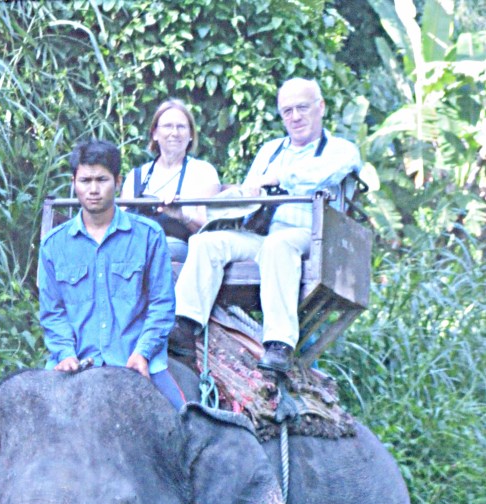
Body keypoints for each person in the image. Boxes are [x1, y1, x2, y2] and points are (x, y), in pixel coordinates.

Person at [169, 78, 362, 375]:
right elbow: (251, 190)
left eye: (302, 108)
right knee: (207, 242)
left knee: (280, 244)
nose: (295, 117)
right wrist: (244, 195)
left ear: (320, 107)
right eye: (287, 111)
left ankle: (279, 344)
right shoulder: (271, 150)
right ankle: (185, 325)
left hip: (316, 237)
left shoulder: (339, 150)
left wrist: (278, 179)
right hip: (266, 235)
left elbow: (322, 176)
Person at [39, 139, 184, 409]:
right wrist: (66, 354)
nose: (93, 189)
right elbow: (52, 312)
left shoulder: (149, 236)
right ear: (74, 182)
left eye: (101, 179)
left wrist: (143, 352)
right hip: (76, 363)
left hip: (139, 363)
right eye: (85, 180)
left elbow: (162, 305)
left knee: (186, 426)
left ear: (117, 182)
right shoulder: (53, 245)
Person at [120, 98, 220, 261]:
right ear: (155, 133)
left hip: (178, 248)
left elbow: (211, 229)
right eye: (167, 126)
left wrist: (182, 215)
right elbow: (122, 222)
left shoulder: (203, 172)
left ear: (190, 135)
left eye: (181, 127)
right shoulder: (137, 176)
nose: (175, 133)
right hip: (135, 245)